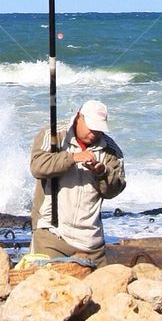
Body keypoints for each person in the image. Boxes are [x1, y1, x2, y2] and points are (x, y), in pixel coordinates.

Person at [30, 99, 125, 267]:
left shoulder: (111, 150)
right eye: (91, 127)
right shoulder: (54, 134)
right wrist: (72, 158)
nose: (94, 133)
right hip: (52, 234)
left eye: (99, 129)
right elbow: (38, 167)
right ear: (79, 117)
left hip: (91, 241)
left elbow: (114, 189)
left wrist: (101, 172)